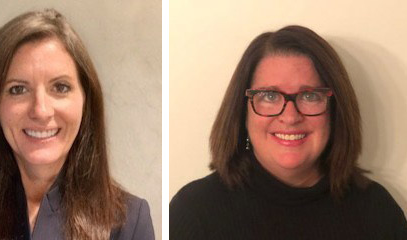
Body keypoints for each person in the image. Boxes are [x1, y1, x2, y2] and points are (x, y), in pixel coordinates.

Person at [0, 9, 154, 240]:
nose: (41, 111)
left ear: (86, 101)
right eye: (18, 89)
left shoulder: (129, 222)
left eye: (60, 87)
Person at [170, 25, 407, 239]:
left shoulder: (378, 212)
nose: (291, 117)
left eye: (310, 96)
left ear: (335, 110)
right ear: (242, 111)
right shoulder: (194, 212)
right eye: (270, 96)